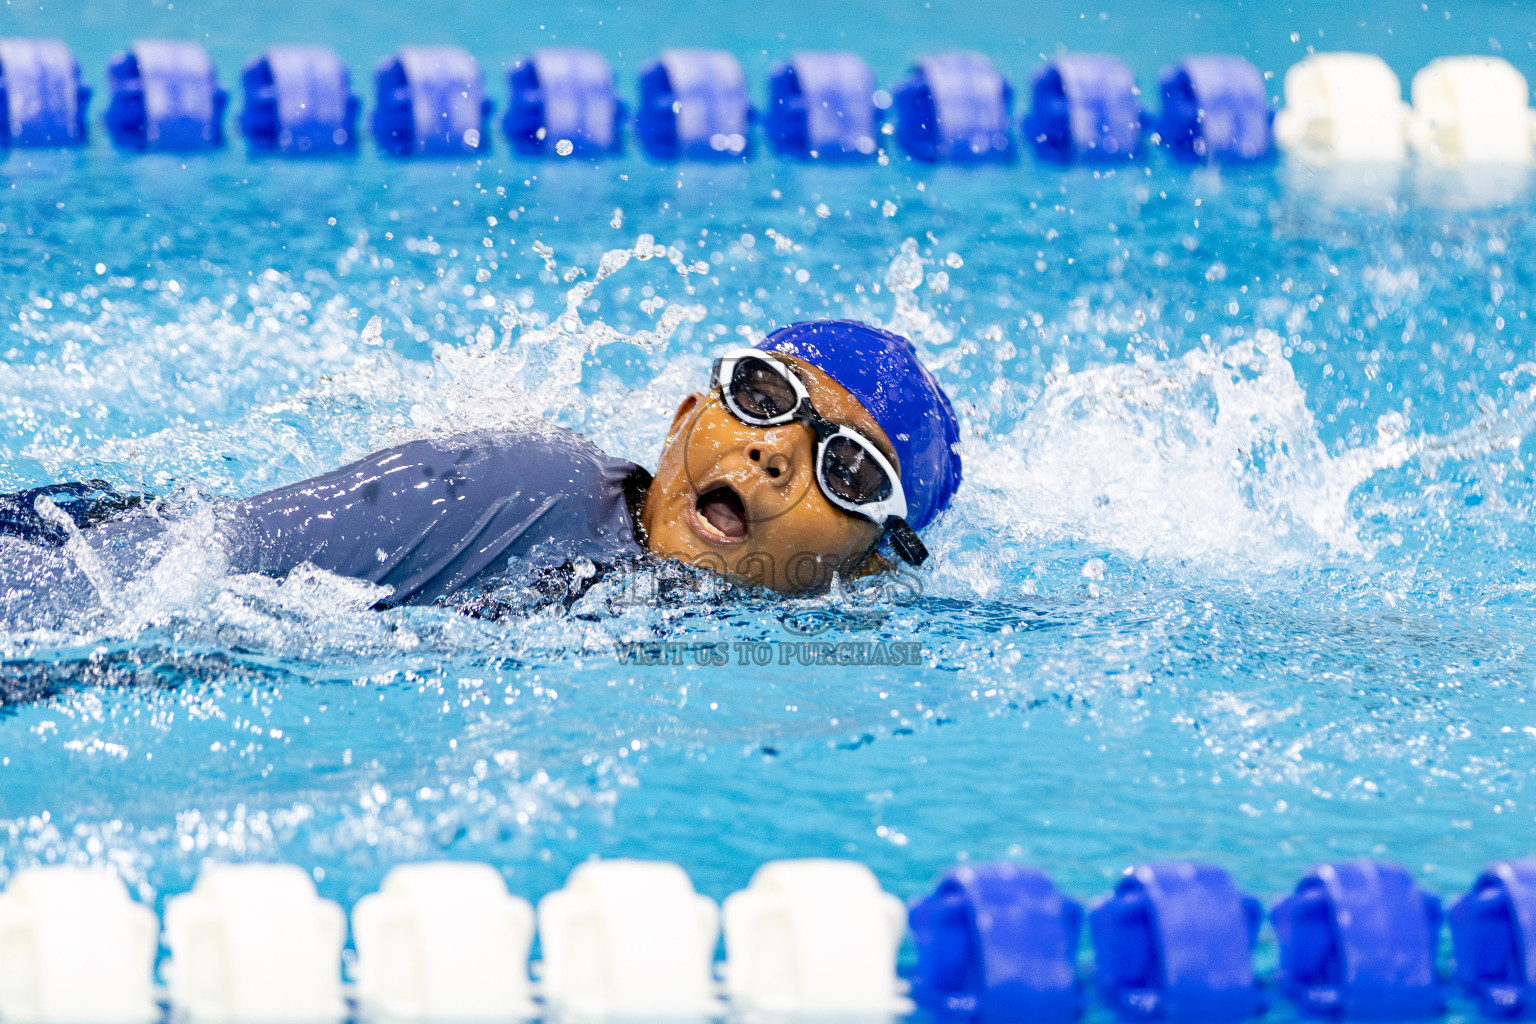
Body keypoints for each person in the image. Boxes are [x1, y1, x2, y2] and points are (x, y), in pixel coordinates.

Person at [0, 319, 961, 606]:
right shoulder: (516, 483)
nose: (773, 453)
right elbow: (174, 569)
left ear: (869, 564)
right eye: (760, 396)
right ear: (679, 425)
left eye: (848, 471)